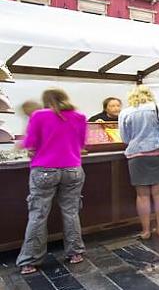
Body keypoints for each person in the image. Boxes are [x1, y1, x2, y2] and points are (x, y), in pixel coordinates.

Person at [17, 89, 87, 275]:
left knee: (38, 214)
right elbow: (81, 144)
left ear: (46, 100)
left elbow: (30, 142)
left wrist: (25, 145)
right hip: (73, 169)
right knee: (71, 212)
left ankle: (30, 262)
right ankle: (75, 253)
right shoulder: (79, 116)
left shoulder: (39, 115)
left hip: (44, 171)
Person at [119, 85, 159, 240]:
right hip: (157, 154)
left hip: (136, 156)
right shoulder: (157, 108)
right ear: (149, 95)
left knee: (142, 195)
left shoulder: (125, 112)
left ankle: (145, 231)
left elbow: (124, 138)